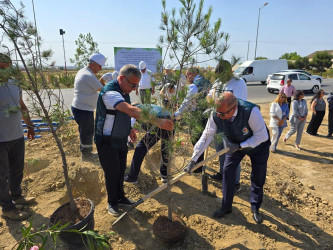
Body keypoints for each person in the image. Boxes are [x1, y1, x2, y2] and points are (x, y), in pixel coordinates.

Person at [94, 64, 173, 217]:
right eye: (133, 85)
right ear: (122, 78)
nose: (134, 88)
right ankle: (112, 202)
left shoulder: (124, 90)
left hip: (120, 138)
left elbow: (123, 114)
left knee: (121, 169)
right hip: (106, 140)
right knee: (112, 172)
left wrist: (129, 129)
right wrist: (159, 122)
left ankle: (121, 197)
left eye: (137, 85)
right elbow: (130, 110)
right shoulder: (110, 92)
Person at [184, 92, 270, 224]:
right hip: (233, 144)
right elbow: (206, 136)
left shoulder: (250, 111)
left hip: (258, 147)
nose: (219, 116)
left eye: (222, 114)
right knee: (227, 171)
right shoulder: (216, 114)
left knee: (258, 177)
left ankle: (255, 207)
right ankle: (226, 206)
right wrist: (194, 159)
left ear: (234, 108)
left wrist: (241, 146)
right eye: (217, 113)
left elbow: (262, 136)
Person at [0, 53, 36, 221]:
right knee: (2, 176)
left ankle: (16, 197)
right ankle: (7, 208)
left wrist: (29, 125)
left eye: (8, 66)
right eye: (2, 67)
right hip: (1, 140)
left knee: (17, 170)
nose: (6, 70)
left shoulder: (15, 84)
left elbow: (22, 106)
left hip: (16, 135)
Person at [207, 60, 247, 188]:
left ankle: (235, 182)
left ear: (229, 71)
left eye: (222, 74)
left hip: (232, 123)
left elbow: (236, 103)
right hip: (219, 121)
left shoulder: (238, 83)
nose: (220, 78)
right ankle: (222, 173)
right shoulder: (218, 83)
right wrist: (211, 99)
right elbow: (209, 96)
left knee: (232, 153)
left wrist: (218, 102)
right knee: (220, 150)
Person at [124, 104, 173, 184]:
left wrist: (128, 142)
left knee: (140, 148)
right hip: (170, 120)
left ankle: (132, 177)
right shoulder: (149, 106)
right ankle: (164, 175)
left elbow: (130, 125)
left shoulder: (137, 110)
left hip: (161, 121)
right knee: (165, 148)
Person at [174, 67, 211, 172]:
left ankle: (197, 166)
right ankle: (199, 163)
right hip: (206, 114)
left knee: (196, 140)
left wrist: (177, 113)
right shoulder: (207, 82)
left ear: (191, 74)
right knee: (202, 138)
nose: (186, 78)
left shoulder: (194, 86)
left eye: (187, 75)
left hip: (196, 115)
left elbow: (186, 102)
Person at [71, 53, 106, 160]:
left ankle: (86, 152)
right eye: (100, 66)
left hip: (82, 108)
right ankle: (86, 155)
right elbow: (103, 90)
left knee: (85, 130)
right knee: (87, 131)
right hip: (83, 109)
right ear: (93, 64)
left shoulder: (83, 71)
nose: (100, 69)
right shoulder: (88, 76)